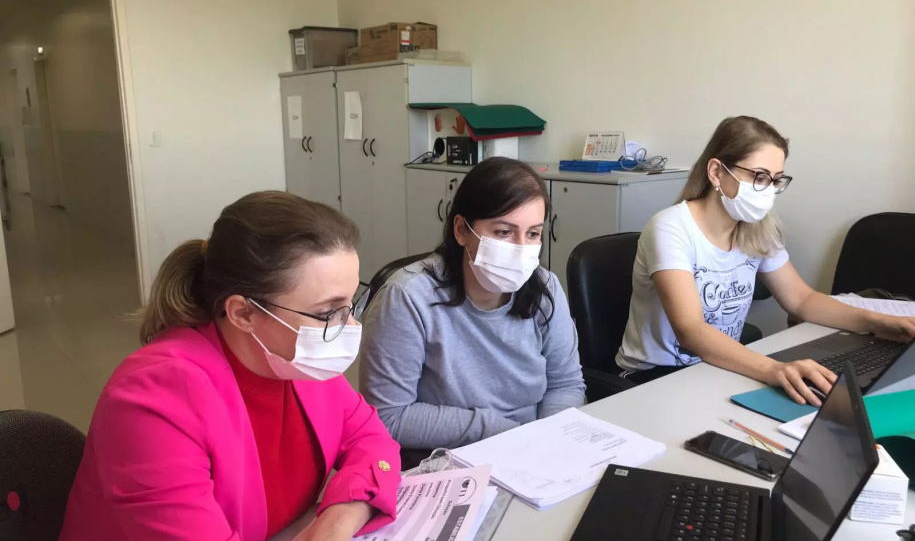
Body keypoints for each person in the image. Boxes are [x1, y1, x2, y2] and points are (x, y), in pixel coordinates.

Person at [60, 192, 400, 541]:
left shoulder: (299, 363)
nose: (348, 327)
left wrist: (337, 521)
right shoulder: (153, 400)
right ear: (243, 313)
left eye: (350, 305)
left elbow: (373, 441)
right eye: (329, 313)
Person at [616, 116, 915, 405]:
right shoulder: (670, 227)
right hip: (653, 379)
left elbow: (802, 300)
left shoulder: (759, 228)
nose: (768, 190)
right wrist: (774, 369)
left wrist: (876, 323)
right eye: (759, 177)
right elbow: (691, 331)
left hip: (712, 369)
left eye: (776, 181)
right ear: (717, 172)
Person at [359, 157, 586, 455]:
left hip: (535, 449)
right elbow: (388, 416)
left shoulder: (545, 287)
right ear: (461, 230)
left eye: (532, 233)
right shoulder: (407, 297)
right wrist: (504, 434)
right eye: (503, 232)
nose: (520, 248)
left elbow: (566, 384)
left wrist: (546, 442)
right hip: (452, 455)